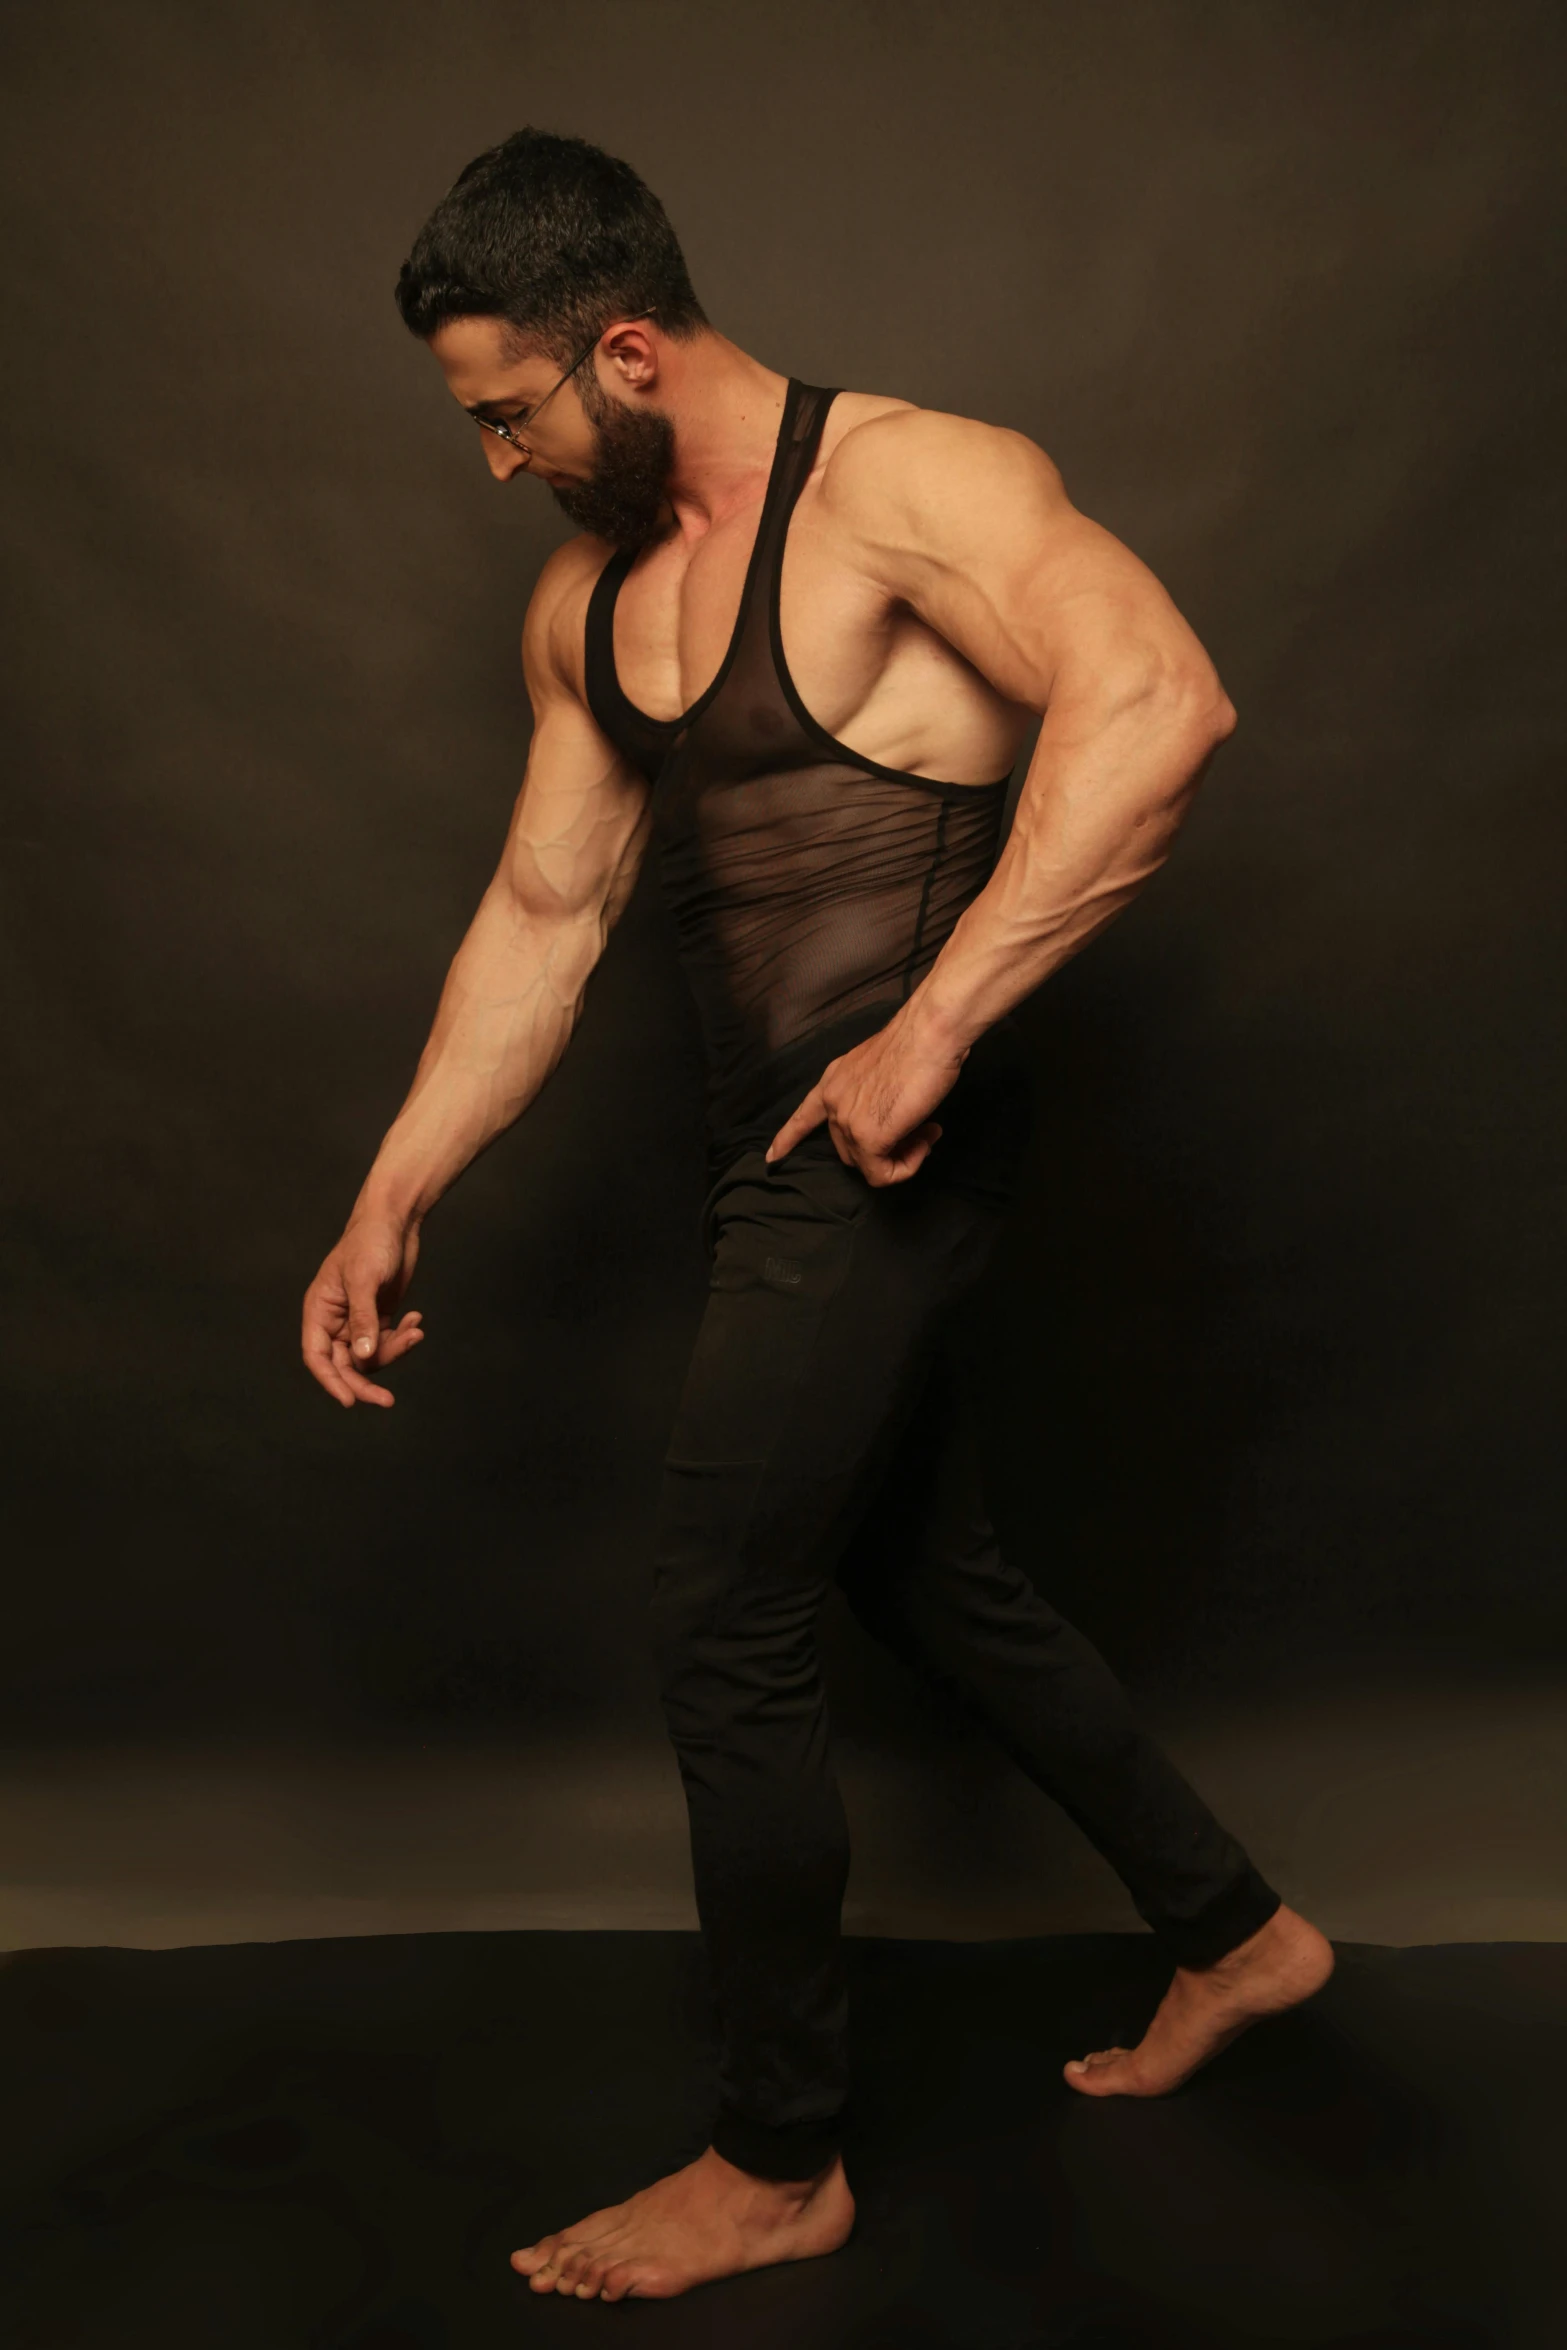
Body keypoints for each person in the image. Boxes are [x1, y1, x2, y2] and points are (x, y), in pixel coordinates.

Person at [301, 129, 1334, 2304]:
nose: (495, 461)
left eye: (510, 410)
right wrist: (391, 1188)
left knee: (718, 1608)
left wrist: (940, 1026)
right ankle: (1239, 1930)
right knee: (925, 1573)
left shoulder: (911, 488)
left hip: (879, 1147)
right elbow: (541, 909)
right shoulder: (591, 601)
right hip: (764, 1144)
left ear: (633, 346)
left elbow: (1161, 699)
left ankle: (780, 2157)